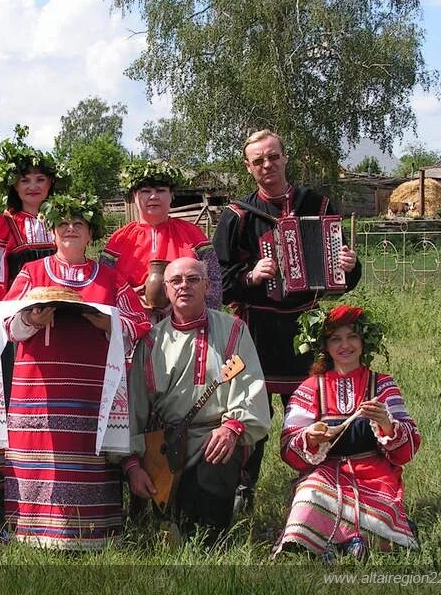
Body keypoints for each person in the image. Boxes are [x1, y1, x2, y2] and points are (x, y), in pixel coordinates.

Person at [0, 192, 151, 550]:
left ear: (90, 234)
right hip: (37, 388)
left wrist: (107, 322)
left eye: (78, 225)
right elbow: (5, 322)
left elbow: (139, 322)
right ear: (52, 233)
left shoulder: (111, 278)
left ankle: (92, 535)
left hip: (90, 388)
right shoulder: (32, 272)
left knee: (88, 457)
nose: (70, 230)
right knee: (41, 459)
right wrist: (31, 318)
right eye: (63, 225)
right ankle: (33, 534)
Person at [211, 129, 361, 511]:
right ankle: (242, 489)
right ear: (248, 167)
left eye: (273, 157)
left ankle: (318, 487)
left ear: (285, 158)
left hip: (305, 329)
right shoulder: (237, 216)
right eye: (258, 160)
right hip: (256, 329)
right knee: (250, 411)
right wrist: (250, 276)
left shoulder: (318, 204)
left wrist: (351, 266)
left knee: (313, 410)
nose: (267, 165)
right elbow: (216, 282)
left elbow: (338, 276)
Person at [125, 257, 270, 542]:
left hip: (214, 438)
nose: (184, 286)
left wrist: (231, 429)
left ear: (207, 286)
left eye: (193, 280)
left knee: (203, 528)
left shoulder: (234, 330)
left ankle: (209, 533)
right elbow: (134, 409)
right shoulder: (151, 341)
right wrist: (131, 465)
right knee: (152, 528)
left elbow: (249, 387)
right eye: (176, 281)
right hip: (165, 446)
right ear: (165, 289)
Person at [273, 305, 420, 560]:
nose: (345, 345)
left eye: (352, 336)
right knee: (309, 497)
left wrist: (386, 424)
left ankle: (353, 542)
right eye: (335, 339)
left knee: (382, 511)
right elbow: (288, 447)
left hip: (375, 475)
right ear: (325, 346)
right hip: (325, 473)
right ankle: (340, 544)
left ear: (364, 342)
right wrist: (310, 438)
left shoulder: (382, 384)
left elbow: (407, 449)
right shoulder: (311, 388)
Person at [0, 143, 67, 502]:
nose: (32, 186)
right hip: (17, 326)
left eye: (40, 179)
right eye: (25, 180)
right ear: (13, 186)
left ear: (50, 184)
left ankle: (49, 474)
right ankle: (8, 485)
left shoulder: (62, 220)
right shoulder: (4, 225)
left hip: (60, 323)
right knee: (17, 397)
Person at [100, 159, 222, 318]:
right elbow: (103, 285)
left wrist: (185, 305)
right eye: (145, 191)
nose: (153, 196)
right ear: (135, 196)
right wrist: (128, 298)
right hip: (131, 323)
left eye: (160, 190)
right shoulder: (119, 239)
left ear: (171, 195)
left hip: (185, 323)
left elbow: (214, 282)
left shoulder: (192, 234)